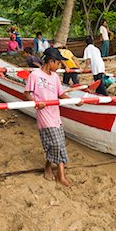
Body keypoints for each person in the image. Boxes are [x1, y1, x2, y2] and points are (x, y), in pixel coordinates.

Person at [24, 48, 81, 187]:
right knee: (55, 143)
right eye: (58, 63)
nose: (59, 66)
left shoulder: (55, 77)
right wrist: (36, 103)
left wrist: (74, 101)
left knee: (59, 143)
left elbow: (60, 94)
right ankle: (60, 175)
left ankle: (50, 167)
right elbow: (26, 94)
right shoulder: (35, 75)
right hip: (43, 114)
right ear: (51, 61)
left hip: (55, 113)